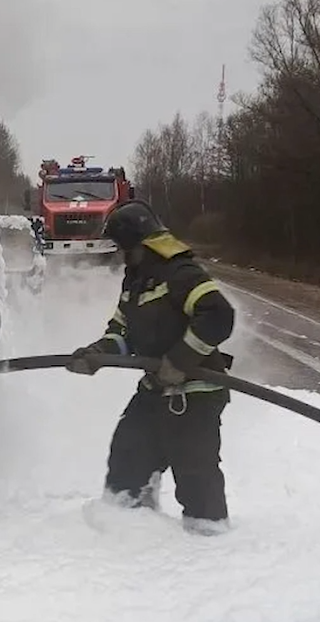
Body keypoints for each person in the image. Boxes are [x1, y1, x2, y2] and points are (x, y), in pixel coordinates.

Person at [65, 199, 237, 535]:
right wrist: (98, 353)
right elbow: (121, 331)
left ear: (139, 244)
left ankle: (210, 542)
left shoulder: (181, 274)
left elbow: (219, 315)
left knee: (195, 475)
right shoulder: (135, 282)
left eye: (122, 248)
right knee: (127, 456)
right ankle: (126, 528)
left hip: (195, 394)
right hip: (155, 390)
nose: (119, 255)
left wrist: (182, 359)